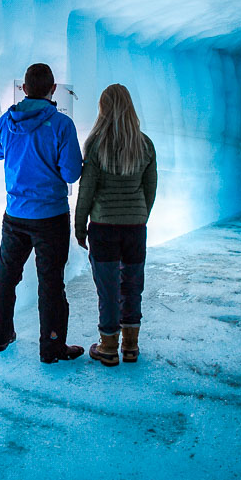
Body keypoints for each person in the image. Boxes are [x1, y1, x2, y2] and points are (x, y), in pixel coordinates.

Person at [0, 63, 86, 363]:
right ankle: (52, 347)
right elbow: (71, 174)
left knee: (6, 277)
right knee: (51, 283)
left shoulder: (8, 120)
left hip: (15, 215)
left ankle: (0, 337)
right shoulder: (61, 125)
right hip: (51, 217)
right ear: (53, 89)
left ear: (24, 89)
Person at [75, 84, 156, 367]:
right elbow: (150, 188)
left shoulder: (96, 144)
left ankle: (108, 346)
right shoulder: (144, 144)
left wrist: (79, 224)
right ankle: (130, 346)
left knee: (108, 288)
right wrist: (140, 216)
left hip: (103, 226)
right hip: (135, 227)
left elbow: (86, 190)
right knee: (132, 286)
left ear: (104, 108)